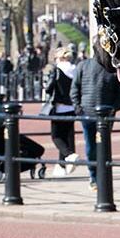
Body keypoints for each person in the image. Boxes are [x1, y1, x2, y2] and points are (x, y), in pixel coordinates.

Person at [71, 53, 120, 191]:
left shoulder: (112, 68)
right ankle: (95, 176)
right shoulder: (83, 65)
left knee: (99, 147)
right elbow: (75, 88)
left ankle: (101, 176)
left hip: (103, 113)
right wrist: (78, 107)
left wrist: (114, 107)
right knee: (94, 147)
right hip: (89, 113)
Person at [44, 47, 78, 175]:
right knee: (66, 135)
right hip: (71, 107)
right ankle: (62, 166)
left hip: (59, 107)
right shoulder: (75, 69)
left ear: (59, 57)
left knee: (56, 136)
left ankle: (69, 155)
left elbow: (48, 88)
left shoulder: (56, 70)